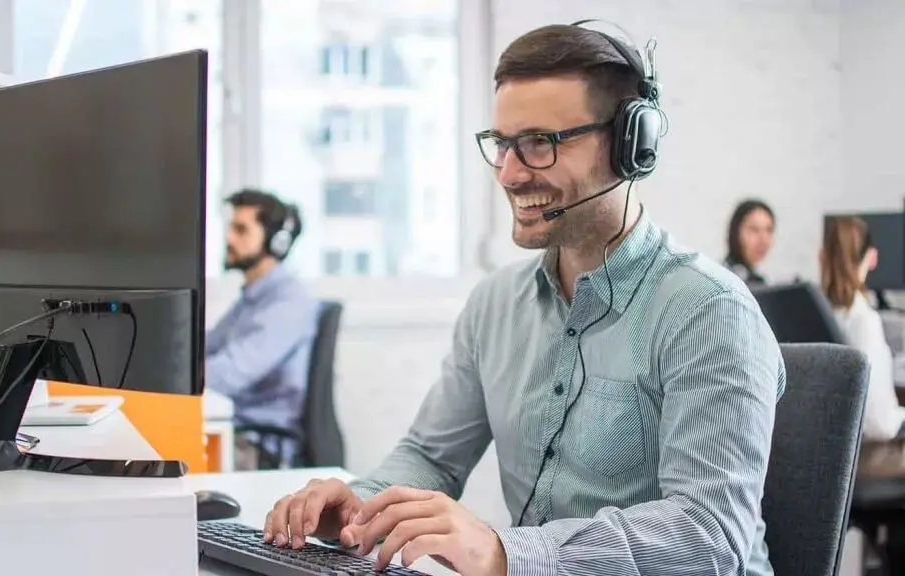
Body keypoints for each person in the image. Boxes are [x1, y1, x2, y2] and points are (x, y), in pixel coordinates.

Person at [263, 22, 785, 576]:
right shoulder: (495, 303)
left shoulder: (709, 312)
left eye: (540, 143)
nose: (510, 174)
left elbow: (707, 533)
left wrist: (503, 552)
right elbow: (432, 456)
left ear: (630, 145)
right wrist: (358, 507)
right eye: (502, 144)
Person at [205, 189, 319, 469]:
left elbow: (230, 373)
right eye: (231, 228)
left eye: (241, 230)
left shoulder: (289, 301)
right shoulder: (251, 299)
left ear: (276, 242)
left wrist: (166, 380)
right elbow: (204, 349)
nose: (229, 239)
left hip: (257, 445)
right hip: (233, 430)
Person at [820, 216, 905, 440]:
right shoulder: (863, 319)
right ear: (872, 257)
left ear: (822, 256)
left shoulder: (816, 310)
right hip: (869, 450)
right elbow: (879, 425)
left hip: (834, 445)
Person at [723, 199, 776, 285]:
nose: (763, 239)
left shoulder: (760, 279)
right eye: (754, 230)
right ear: (736, 233)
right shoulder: (728, 281)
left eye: (769, 230)